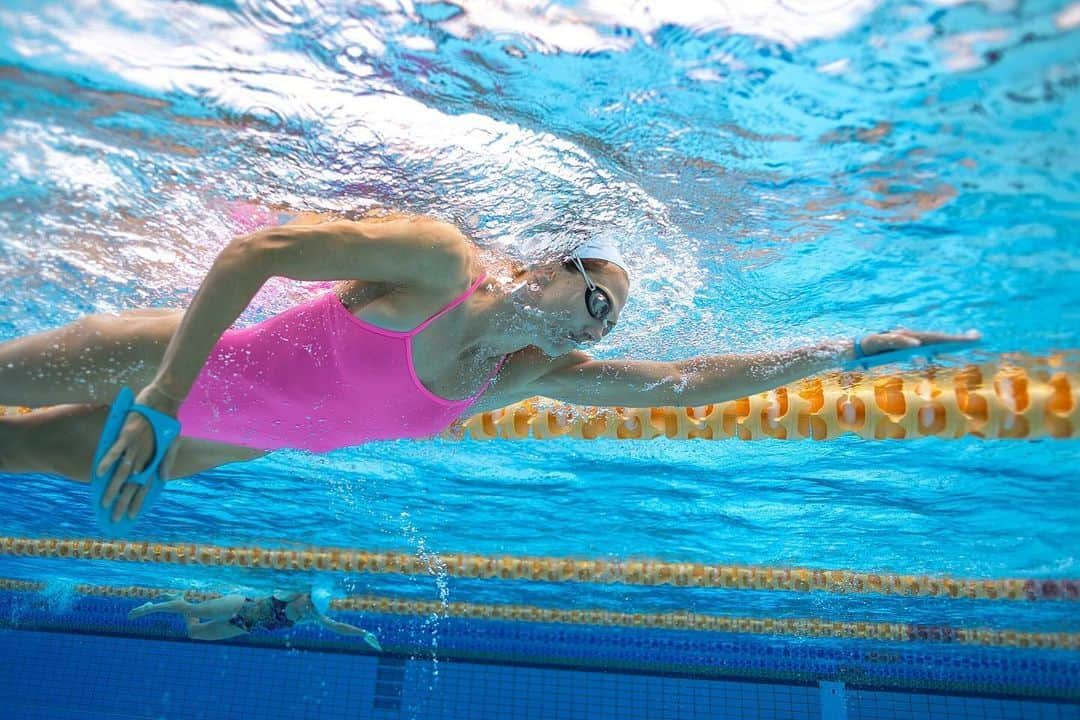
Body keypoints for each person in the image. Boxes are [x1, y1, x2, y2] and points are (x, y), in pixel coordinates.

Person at [0, 211, 978, 526]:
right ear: (552, 266)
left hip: (221, 440)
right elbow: (258, 255)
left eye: (602, 331)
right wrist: (166, 393)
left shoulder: (510, 373)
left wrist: (843, 353)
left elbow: (684, 383)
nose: (587, 342)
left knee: (14, 455)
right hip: (169, 364)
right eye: (594, 306)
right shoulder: (437, 261)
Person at [127, 588, 381, 646]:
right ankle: (151, 607)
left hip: (245, 625)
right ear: (306, 594)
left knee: (195, 632)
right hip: (241, 605)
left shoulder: (311, 614)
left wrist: (363, 633)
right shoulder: (292, 593)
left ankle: (180, 597)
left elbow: (336, 626)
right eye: (308, 601)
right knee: (194, 611)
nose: (307, 607)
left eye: (312, 606)